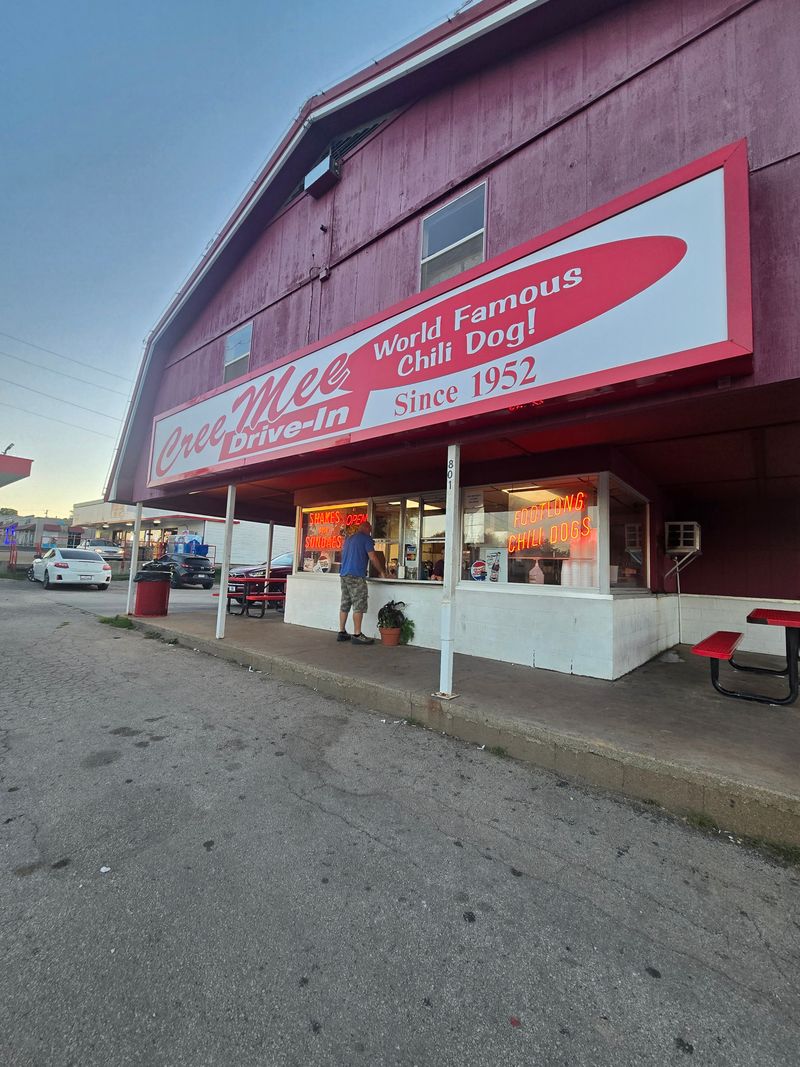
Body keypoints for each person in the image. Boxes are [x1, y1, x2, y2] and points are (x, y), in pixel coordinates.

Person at [337, 520, 389, 645]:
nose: (370, 532)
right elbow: (373, 557)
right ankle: (357, 634)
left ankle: (342, 632)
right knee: (358, 604)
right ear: (367, 529)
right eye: (370, 529)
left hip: (344, 575)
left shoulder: (349, 539)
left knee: (345, 603)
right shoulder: (366, 539)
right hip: (356, 576)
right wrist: (382, 572)